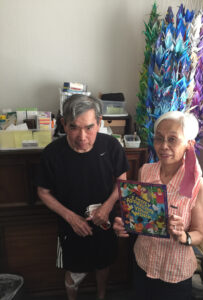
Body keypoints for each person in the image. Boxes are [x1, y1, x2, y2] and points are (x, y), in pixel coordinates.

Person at [36, 94, 129, 300]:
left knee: (103, 264)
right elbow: (43, 192)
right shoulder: (52, 154)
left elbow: (121, 183)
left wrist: (106, 207)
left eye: (89, 127)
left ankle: (101, 296)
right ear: (63, 124)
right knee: (74, 271)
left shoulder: (112, 146)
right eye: (74, 127)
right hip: (71, 226)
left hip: (105, 222)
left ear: (99, 122)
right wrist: (71, 218)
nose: (82, 137)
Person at [113, 111, 203, 300]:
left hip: (175, 271)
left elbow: (200, 234)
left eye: (172, 139)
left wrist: (183, 236)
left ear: (189, 144)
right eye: (159, 138)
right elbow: (142, 216)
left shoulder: (199, 185)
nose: (163, 146)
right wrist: (126, 223)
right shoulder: (146, 171)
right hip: (143, 262)